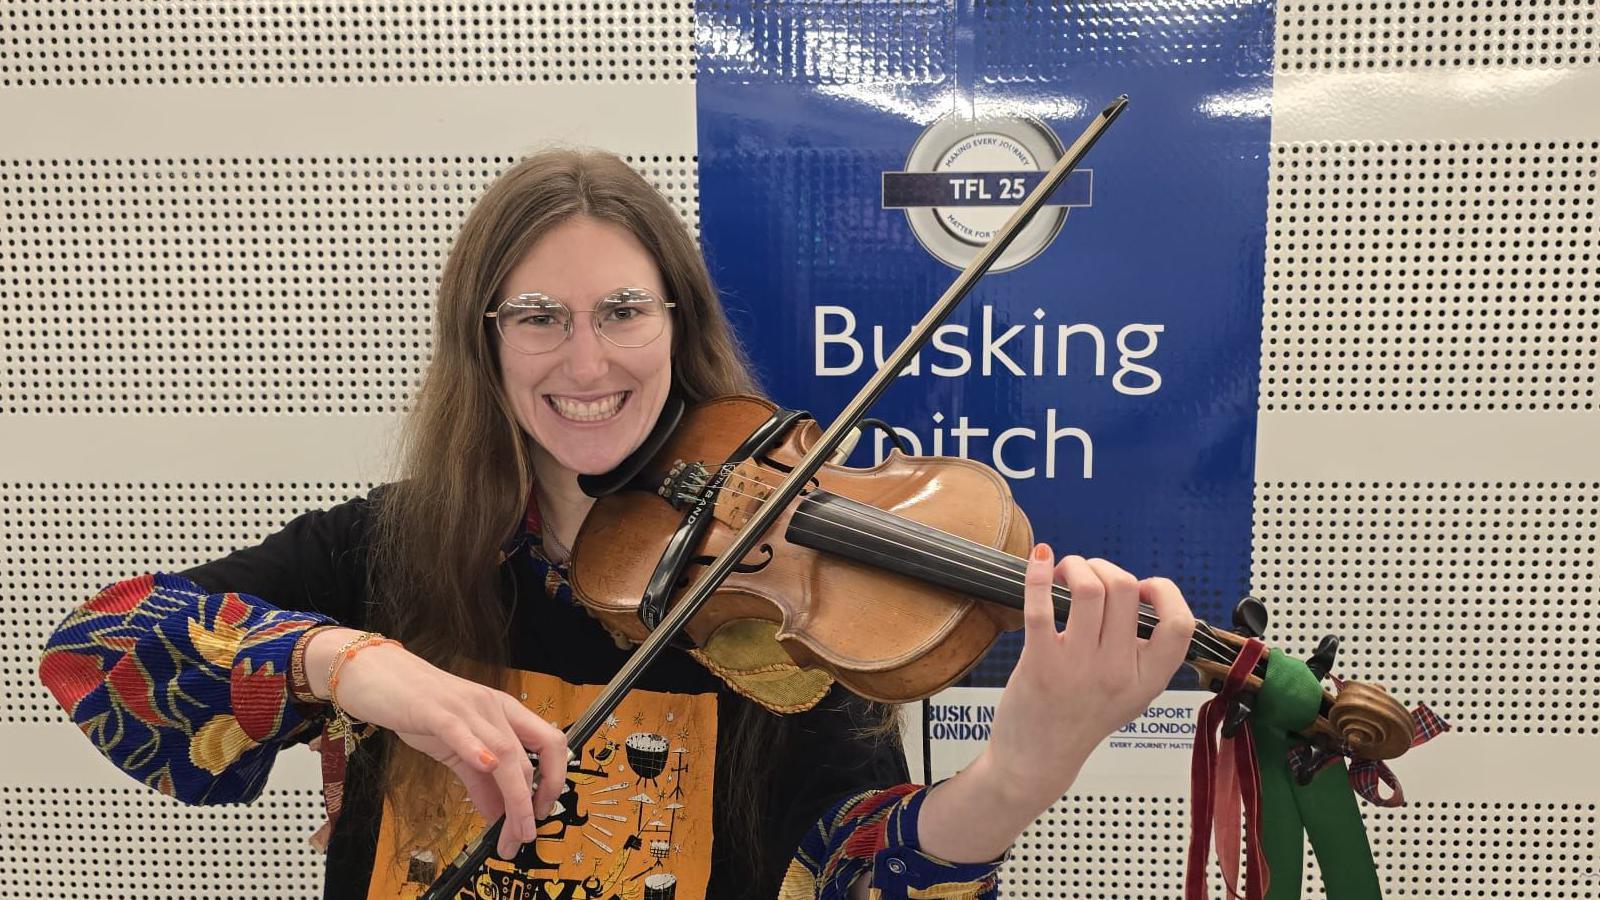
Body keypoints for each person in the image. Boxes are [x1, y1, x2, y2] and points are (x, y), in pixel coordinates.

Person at [38, 148, 1196, 900]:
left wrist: (1021, 773)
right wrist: (365, 671)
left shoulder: (776, 590)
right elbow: (96, 651)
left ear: (673, 324)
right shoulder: (396, 546)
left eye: (621, 311)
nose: (584, 361)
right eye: (537, 316)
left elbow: (838, 874)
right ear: (483, 345)